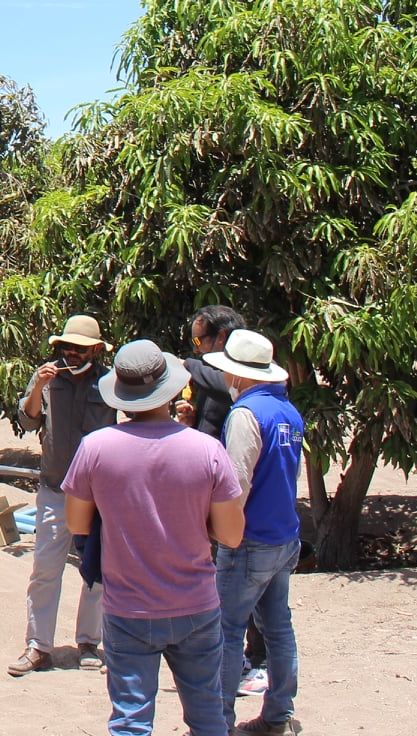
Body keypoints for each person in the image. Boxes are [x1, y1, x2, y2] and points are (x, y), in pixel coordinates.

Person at [61, 340, 246, 736]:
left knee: (130, 722)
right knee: (208, 717)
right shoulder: (208, 450)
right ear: (171, 389)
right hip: (195, 603)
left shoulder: (94, 448)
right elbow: (231, 534)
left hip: (128, 605)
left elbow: (77, 524)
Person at [206, 330, 306, 736]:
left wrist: (220, 529)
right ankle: (278, 713)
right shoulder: (288, 412)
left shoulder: (246, 415)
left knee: (227, 631)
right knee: (278, 627)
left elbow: (236, 482)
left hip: (250, 540)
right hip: (284, 536)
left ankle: (220, 721)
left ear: (239, 376)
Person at [10, 314, 117, 676]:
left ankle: (89, 643)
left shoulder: (109, 383)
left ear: (96, 350)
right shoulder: (48, 376)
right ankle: (38, 646)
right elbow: (27, 421)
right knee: (45, 568)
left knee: (96, 571)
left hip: (99, 493)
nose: (70, 354)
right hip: (56, 487)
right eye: (65, 347)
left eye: (78, 349)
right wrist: (38, 387)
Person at [176, 305, 270, 697]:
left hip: (239, 492)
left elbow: (221, 385)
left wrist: (182, 363)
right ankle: (231, 656)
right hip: (212, 488)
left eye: (200, 340)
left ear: (223, 339)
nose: (196, 349)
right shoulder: (210, 374)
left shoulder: (237, 378)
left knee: (247, 585)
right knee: (222, 579)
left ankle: (257, 660)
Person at [176, 305, 245, 438]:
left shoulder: (246, 373)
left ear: (221, 337)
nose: (195, 350)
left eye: (197, 341)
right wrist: (193, 421)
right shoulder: (211, 373)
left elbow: (230, 388)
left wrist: (187, 365)